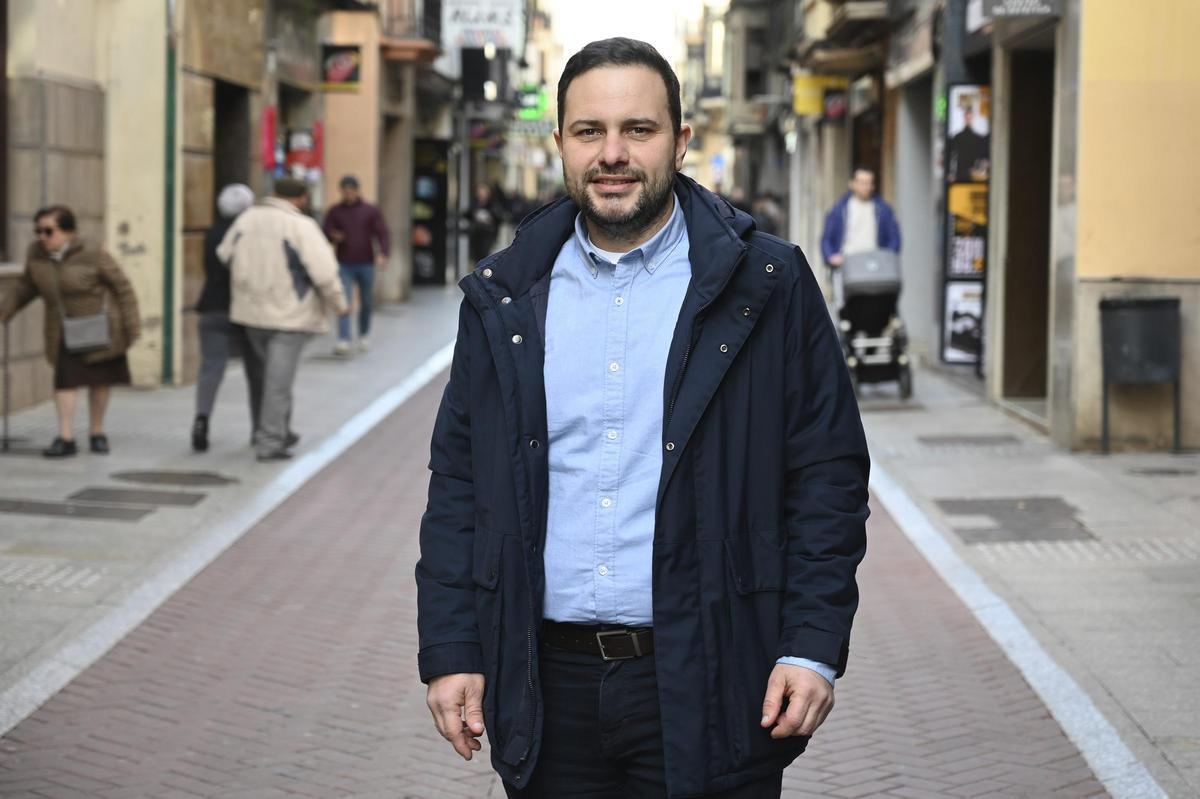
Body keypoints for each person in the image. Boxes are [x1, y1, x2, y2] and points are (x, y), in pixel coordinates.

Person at [416, 38, 869, 799]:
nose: (613, 153)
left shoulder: (768, 284)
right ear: (560, 142)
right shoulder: (506, 296)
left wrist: (813, 645)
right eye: (590, 131)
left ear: (682, 140)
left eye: (640, 129)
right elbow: (459, 485)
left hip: (713, 667)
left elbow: (827, 476)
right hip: (545, 680)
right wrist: (452, 646)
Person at [217, 178, 347, 462]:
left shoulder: (246, 218)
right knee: (278, 382)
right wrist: (339, 304)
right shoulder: (300, 226)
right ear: (300, 199)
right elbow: (324, 272)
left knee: (265, 378)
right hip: (289, 314)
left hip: (250, 313)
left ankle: (275, 431)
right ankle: (270, 442)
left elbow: (224, 254)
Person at [0, 206, 140, 458]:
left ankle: (97, 433)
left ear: (68, 232)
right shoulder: (37, 255)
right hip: (62, 330)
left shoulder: (93, 253)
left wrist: (131, 326)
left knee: (99, 381)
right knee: (64, 381)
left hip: (98, 327)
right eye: (38, 231)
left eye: (48, 231)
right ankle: (66, 437)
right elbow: (25, 287)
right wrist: (5, 311)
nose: (42, 237)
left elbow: (122, 287)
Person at [191, 183, 256, 452]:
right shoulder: (248, 234)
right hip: (245, 310)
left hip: (212, 307)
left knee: (211, 367)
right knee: (257, 370)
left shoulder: (211, 233)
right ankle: (260, 427)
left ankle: (201, 419)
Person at [322, 175, 390, 356]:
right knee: (345, 300)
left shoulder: (370, 210)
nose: (349, 194)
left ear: (357, 190)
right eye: (345, 191)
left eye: (351, 191)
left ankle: (364, 333)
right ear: (341, 192)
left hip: (366, 262)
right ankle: (343, 338)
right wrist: (333, 235)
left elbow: (382, 233)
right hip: (344, 262)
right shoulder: (335, 211)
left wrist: (383, 253)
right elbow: (325, 230)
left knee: (366, 301)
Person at [819, 167, 901, 306]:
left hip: (875, 266)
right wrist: (831, 257)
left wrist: (887, 257)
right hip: (848, 266)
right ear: (852, 184)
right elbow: (826, 239)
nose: (866, 186)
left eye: (869, 183)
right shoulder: (839, 209)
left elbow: (895, 239)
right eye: (862, 182)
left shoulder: (883, 210)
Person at [465, 183, 501, 264]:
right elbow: (467, 215)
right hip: (475, 234)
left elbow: (498, 218)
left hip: (487, 234)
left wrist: (490, 219)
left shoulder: (492, 204)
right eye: (479, 192)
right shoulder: (474, 204)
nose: (480, 194)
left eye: (482, 192)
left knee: (485, 255)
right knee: (476, 256)